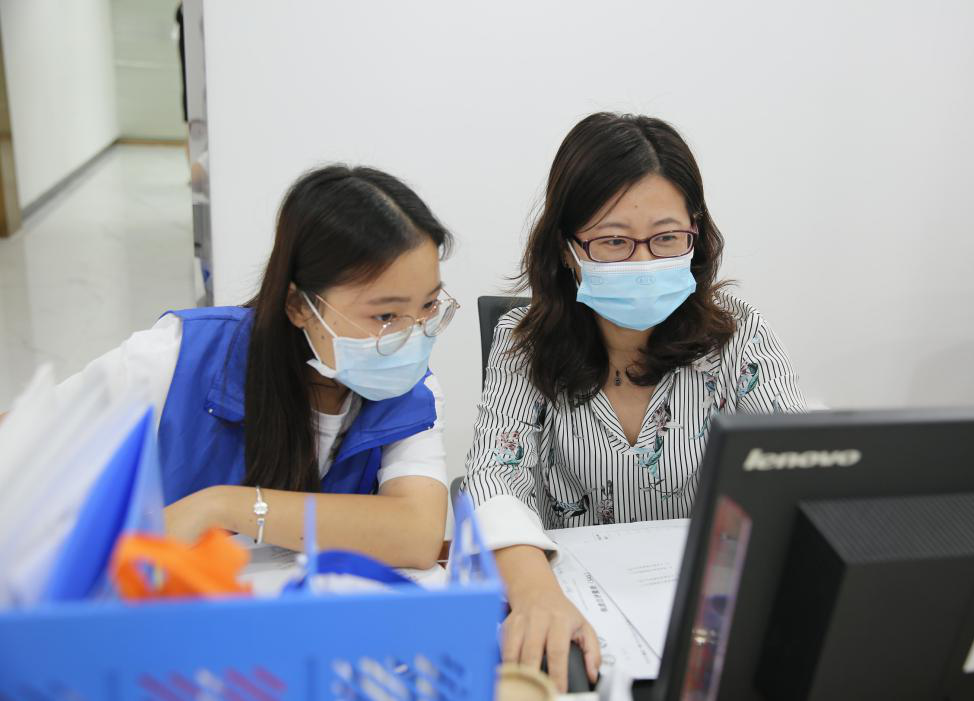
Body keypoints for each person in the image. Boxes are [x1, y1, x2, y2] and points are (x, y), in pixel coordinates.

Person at [461, 113, 807, 690]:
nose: (644, 263)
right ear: (568, 248)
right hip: (573, 612)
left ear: (695, 235)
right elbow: (494, 479)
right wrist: (536, 596)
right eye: (614, 241)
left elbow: (795, 468)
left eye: (666, 238)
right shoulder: (523, 343)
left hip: (707, 615)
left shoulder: (737, 334)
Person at [32, 165, 457, 568]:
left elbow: (417, 535)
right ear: (299, 306)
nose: (414, 336)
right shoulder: (177, 357)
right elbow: (27, 452)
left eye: (428, 305)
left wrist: (221, 506)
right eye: (385, 316)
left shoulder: (407, 387)